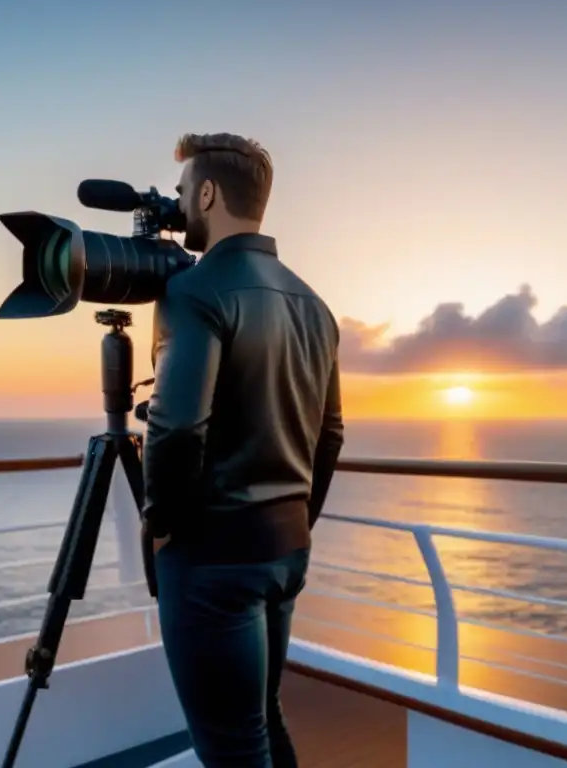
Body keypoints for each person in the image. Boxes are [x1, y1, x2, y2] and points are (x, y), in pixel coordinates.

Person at [142, 132, 345, 767]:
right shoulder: (315, 303)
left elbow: (176, 428)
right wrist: (296, 520)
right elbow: (331, 434)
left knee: (231, 748)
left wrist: (161, 526)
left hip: (212, 560)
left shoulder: (194, 292)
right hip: (285, 550)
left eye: (181, 194)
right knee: (259, 721)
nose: (178, 208)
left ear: (206, 193)